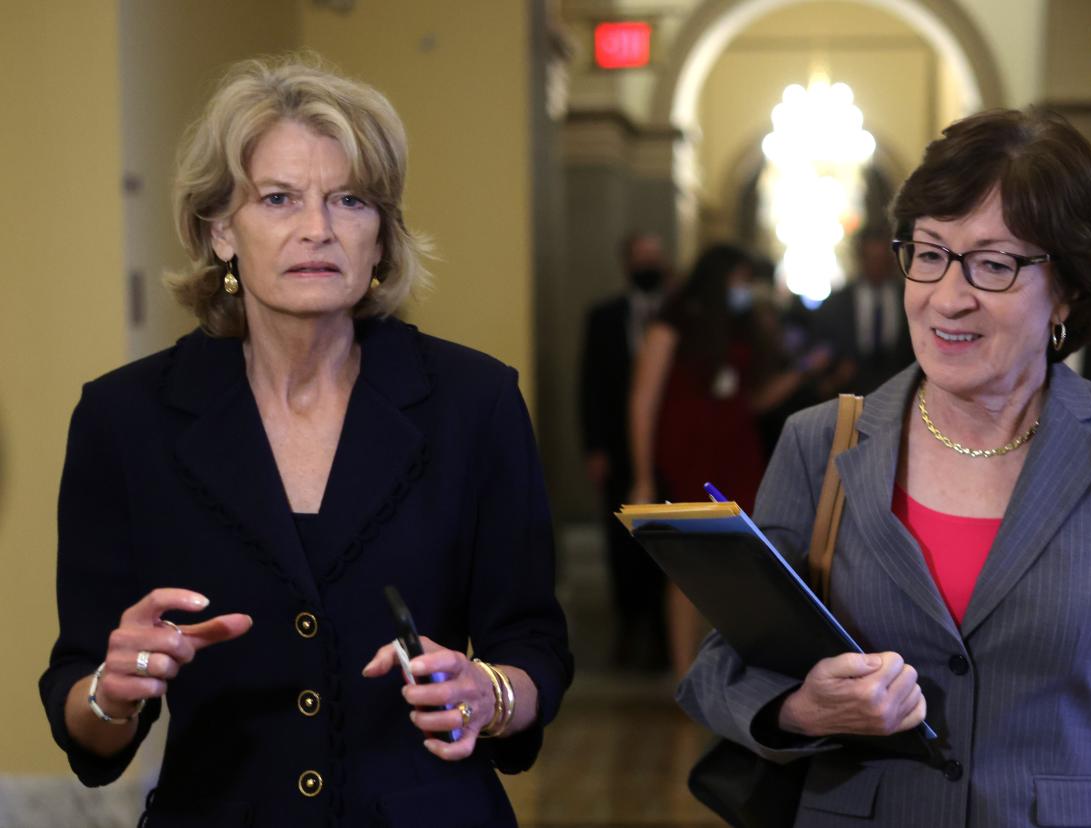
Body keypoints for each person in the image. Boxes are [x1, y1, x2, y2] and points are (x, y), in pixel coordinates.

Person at [38, 55, 572, 827]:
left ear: (381, 235)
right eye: (279, 198)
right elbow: (82, 702)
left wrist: (487, 693)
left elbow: (533, 645)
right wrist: (109, 692)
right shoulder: (125, 419)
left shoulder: (474, 403)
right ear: (221, 229)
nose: (317, 229)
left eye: (349, 200)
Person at [678, 109, 1091, 825]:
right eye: (931, 252)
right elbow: (718, 670)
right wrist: (799, 706)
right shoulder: (819, 444)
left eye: (994, 263)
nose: (948, 296)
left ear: (1067, 289)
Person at [629, 243, 826, 676]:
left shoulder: (741, 326)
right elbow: (644, 398)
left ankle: (732, 672)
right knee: (690, 563)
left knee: (743, 561)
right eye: (738, 280)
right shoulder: (672, 323)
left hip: (737, 451)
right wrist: (642, 473)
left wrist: (801, 374)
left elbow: (750, 399)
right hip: (689, 453)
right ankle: (685, 673)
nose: (744, 289)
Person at [579, 232, 669, 670]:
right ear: (627, 263)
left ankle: (660, 632)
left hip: (668, 448)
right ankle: (627, 626)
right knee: (621, 540)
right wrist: (594, 446)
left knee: (666, 542)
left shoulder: (676, 316)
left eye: (655, 258)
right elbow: (590, 386)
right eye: (642, 259)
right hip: (616, 449)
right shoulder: (604, 317)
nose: (649, 266)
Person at [809, 223, 916, 396]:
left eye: (883, 260)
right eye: (872, 259)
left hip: (901, 391)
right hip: (848, 392)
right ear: (860, 258)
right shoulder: (835, 304)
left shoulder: (910, 297)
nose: (877, 267)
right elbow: (821, 348)